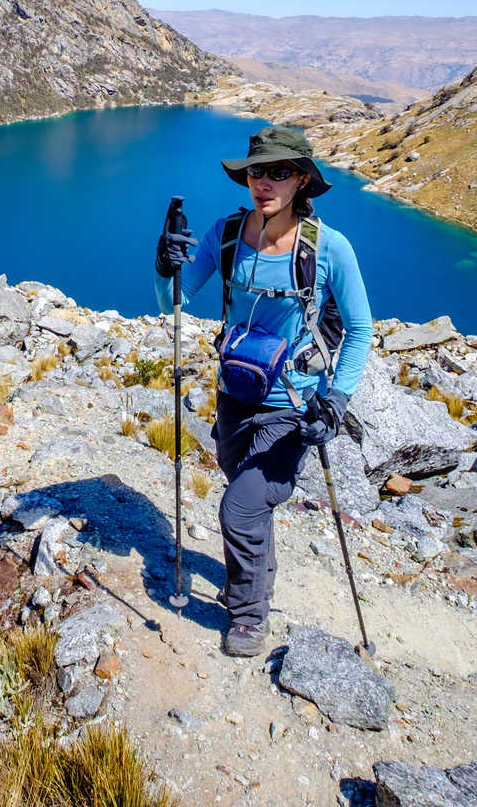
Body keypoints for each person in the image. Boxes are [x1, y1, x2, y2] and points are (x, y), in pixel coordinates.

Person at [154, 124, 373, 657]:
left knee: (241, 508)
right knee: (244, 498)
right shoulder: (227, 236)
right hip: (235, 393)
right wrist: (164, 263)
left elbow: (361, 330)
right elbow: (173, 300)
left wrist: (338, 400)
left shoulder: (329, 249)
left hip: (294, 407)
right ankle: (255, 574)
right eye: (257, 171)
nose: (264, 182)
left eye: (279, 172)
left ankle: (249, 616)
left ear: (302, 180)